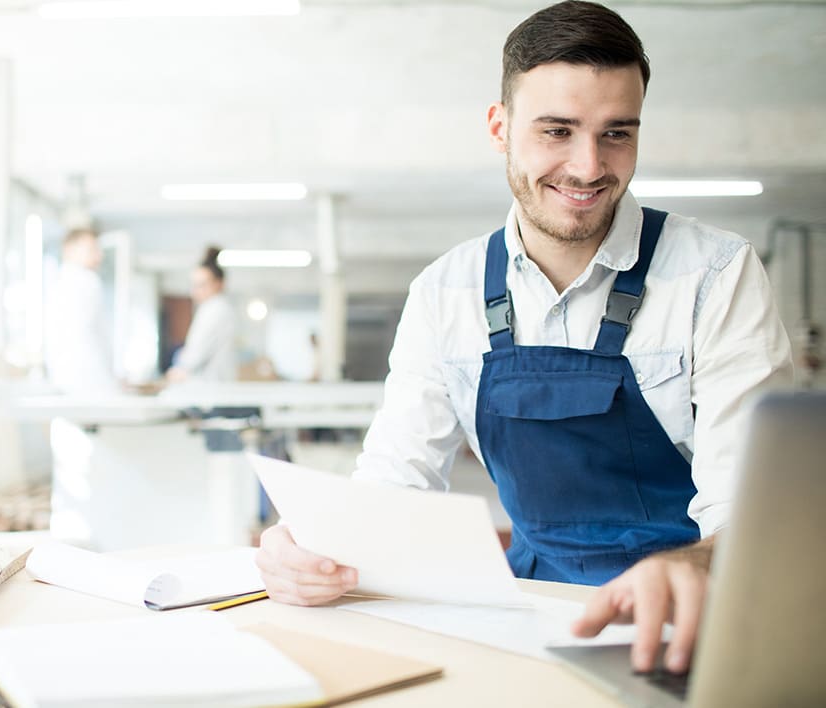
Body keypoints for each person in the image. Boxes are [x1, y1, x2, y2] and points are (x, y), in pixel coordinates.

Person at [256, 0, 793, 676]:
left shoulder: (715, 275)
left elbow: (750, 506)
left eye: (617, 133)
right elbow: (393, 485)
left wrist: (695, 567)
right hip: (529, 616)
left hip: (690, 622)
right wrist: (310, 547)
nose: (588, 166)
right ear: (499, 127)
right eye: (557, 131)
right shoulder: (442, 293)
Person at [46, 227, 120, 394]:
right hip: (90, 377)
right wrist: (109, 379)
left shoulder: (59, 284)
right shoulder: (86, 280)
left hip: (66, 378)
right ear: (69, 250)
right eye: (92, 250)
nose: (99, 256)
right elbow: (91, 335)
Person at [165, 247, 238, 383]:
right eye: (194, 285)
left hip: (210, 392)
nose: (195, 291)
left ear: (219, 284)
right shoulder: (214, 308)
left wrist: (179, 366)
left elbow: (196, 354)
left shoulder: (215, 308)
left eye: (202, 285)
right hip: (211, 390)